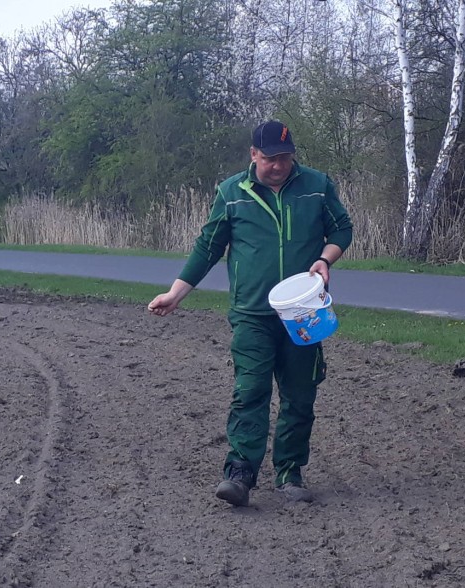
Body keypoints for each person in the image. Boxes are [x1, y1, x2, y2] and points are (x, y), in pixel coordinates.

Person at [148, 120, 353, 507]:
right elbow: (208, 247)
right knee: (250, 390)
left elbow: (342, 228)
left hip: (303, 313)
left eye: (286, 157)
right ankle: (240, 471)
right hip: (251, 313)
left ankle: (290, 472)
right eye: (271, 158)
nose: (279, 165)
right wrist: (176, 293)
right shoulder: (231, 193)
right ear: (253, 154)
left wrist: (326, 260)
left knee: (300, 394)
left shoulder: (316, 186)